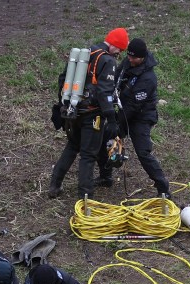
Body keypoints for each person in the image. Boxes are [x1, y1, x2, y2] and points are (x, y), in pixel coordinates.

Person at [47, 28, 129, 200]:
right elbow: (104, 92)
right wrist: (111, 119)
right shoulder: (108, 61)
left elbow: (63, 79)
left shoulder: (84, 54)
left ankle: (54, 185)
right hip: (93, 115)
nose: (120, 53)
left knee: (72, 147)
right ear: (113, 45)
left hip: (73, 111)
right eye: (120, 49)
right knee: (88, 155)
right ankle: (85, 196)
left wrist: (65, 103)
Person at [111, 38, 170, 197]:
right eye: (128, 56)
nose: (129, 59)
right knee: (108, 139)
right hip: (124, 110)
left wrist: (118, 122)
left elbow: (133, 106)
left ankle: (163, 187)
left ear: (142, 57)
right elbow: (117, 77)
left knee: (143, 153)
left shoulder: (148, 78)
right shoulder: (128, 61)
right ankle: (105, 175)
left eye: (133, 58)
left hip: (141, 116)